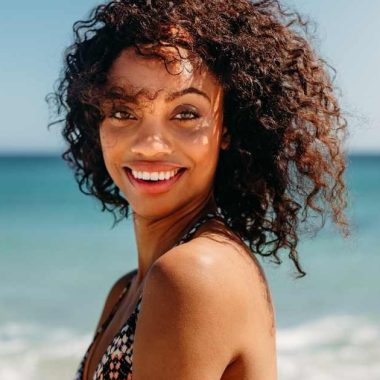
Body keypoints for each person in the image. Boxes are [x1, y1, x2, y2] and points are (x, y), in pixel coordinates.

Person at [49, 0, 349, 379]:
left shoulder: (192, 275)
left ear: (226, 127)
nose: (149, 145)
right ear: (98, 122)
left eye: (186, 114)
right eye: (124, 112)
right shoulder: (126, 290)